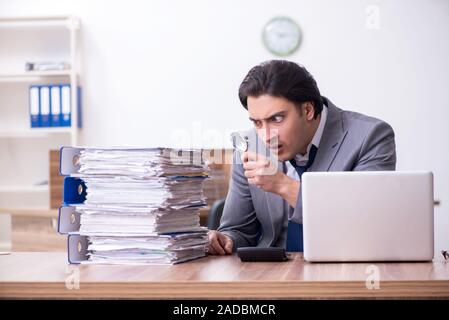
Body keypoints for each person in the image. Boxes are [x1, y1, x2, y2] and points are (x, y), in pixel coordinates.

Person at [207, 60, 396, 255]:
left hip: (342, 266)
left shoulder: (370, 136)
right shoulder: (250, 145)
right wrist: (225, 240)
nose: (266, 136)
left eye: (277, 119)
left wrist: (283, 185)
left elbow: (365, 223)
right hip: (270, 276)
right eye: (257, 123)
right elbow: (238, 231)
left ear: (308, 110)